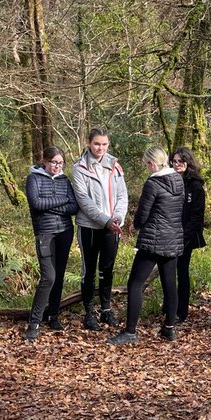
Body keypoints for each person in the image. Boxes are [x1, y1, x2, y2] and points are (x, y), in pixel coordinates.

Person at [109, 146, 186, 345]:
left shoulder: (153, 183)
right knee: (170, 284)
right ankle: (170, 328)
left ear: (152, 164)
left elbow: (143, 214)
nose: (146, 168)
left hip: (153, 240)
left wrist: (135, 225)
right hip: (173, 238)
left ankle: (130, 332)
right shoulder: (178, 179)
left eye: (146, 164)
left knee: (135, 284)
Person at [72, 128, 128, 331]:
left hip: (112, 226)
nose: (100, 148)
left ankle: (106, 309)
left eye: (104, 144)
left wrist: (118, 218)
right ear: (89, 143)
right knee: (89, 271)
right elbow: (84, 200)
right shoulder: (79, 168)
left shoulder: (114, 165)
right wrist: (105, 220)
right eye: (97, 144)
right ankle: (89, 311)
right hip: (89, 226)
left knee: (107, 269)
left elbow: (122, 195)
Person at [24, 146, 78, 341]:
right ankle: (34, 322)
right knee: (48, 277)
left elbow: (73, 207)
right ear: (44, 161)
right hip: (45, 233)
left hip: (65, 232)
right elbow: (36, 204)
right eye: (54, 162)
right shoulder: (34, 178)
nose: (57, 166)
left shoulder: (65, 180)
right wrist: (61, 200)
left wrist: (53, 205)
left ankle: (53, 315)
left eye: (61, 163)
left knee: (60, 275)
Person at [171, 147, 205, 323]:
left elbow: (197, 216)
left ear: (188, 163)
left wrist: (184, 237)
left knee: (182, 271)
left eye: (181, 161)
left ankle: (181, 311)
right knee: (168, 272)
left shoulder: (196, 186)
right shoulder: (169, 180)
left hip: (186, 236)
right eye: (174, 161)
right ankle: (169, 306)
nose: (177, 165)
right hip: (168, 233)